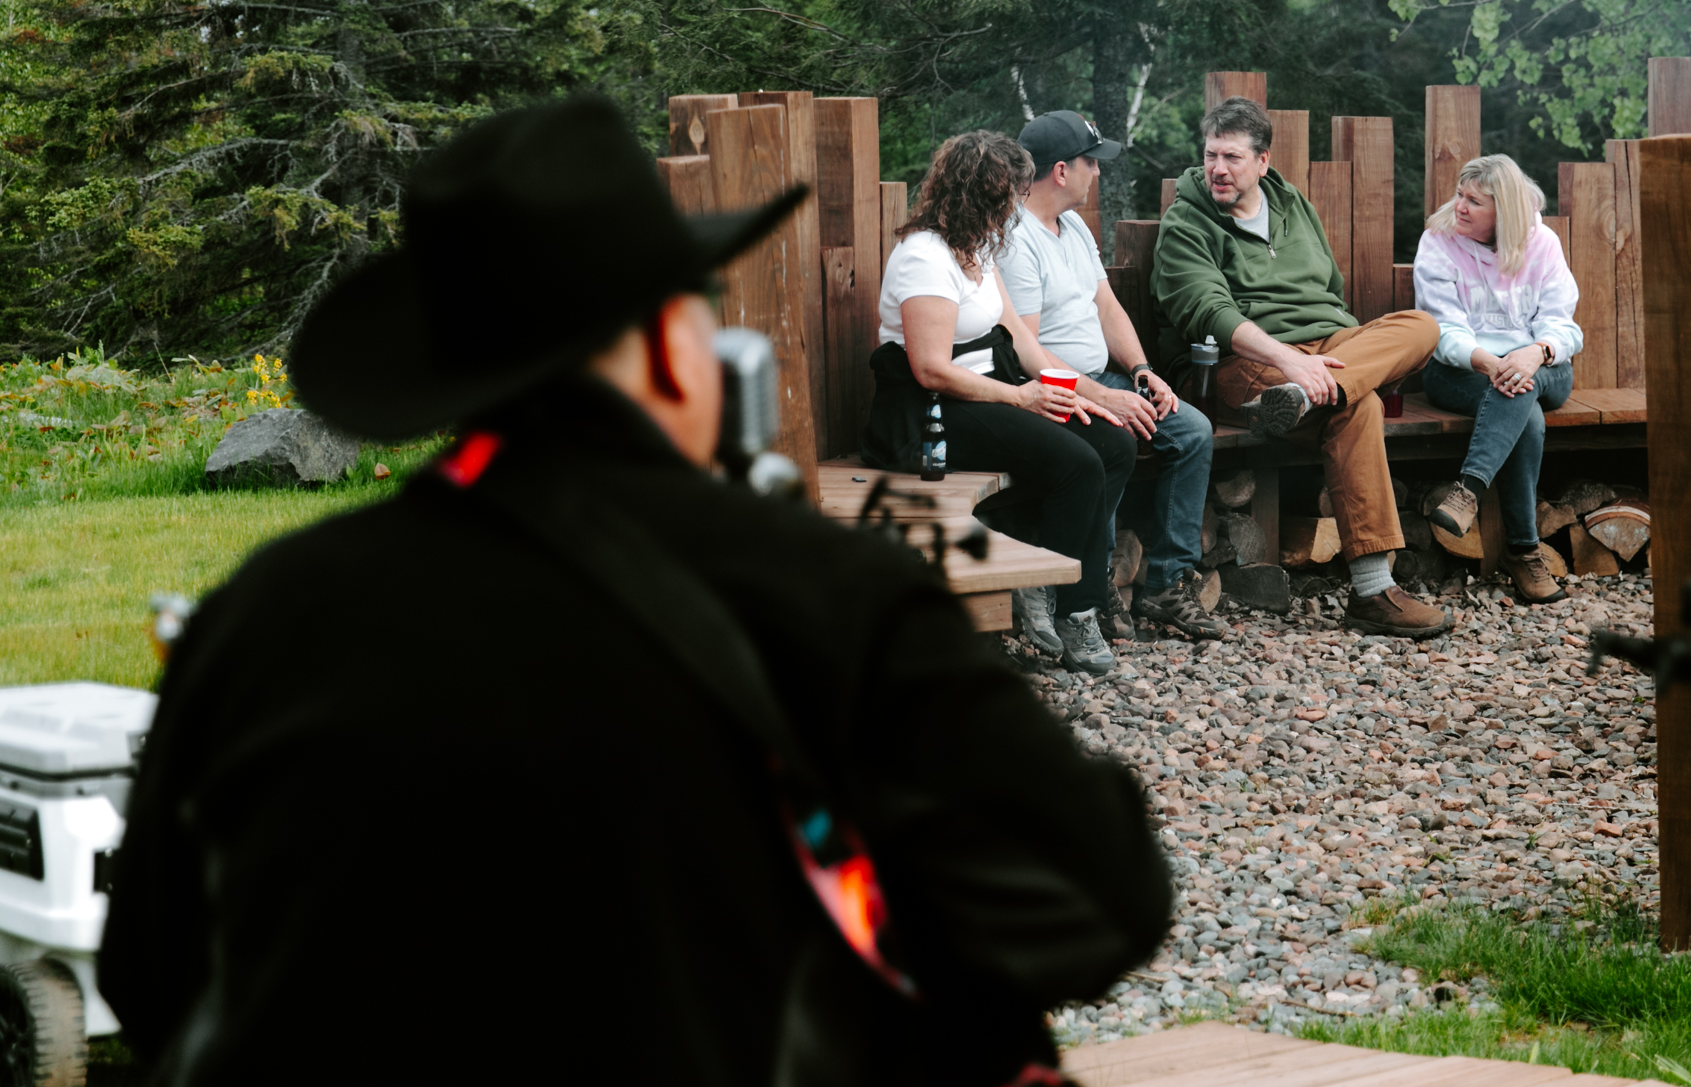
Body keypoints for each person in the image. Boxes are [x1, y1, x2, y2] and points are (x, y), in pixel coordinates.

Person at [99, 94, 1169, 1087]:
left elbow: (149, 972)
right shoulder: (828, 592)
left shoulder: (269, 611)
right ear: (669, 348)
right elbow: (1099, 898)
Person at [1151, 96, 1450, 640]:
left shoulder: (1291, 204)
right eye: (1211, 155)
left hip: (1326, 349)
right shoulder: (1187, 222)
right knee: (1358, 403)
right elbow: (1207, 312)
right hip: (1244, 362)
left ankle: (1315, 392)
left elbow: (1329, 291)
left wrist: (1331, 361)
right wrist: (1290, 358)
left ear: (1263, 161)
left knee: (1422, 326)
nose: (1218, 168)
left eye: (1233, 157)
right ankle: (1372, 592)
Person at [861, 129, 1136, 677]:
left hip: (999, 395)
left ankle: (1059, 586)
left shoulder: (980, 250)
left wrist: (1096, 392)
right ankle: (1063, 599)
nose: (1016, 205)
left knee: (1112, 442)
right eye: (1008, 194)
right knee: (1077, 464)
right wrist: (1022, 398)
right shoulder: (924, 257)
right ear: (979, 197)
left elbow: (1027, 346)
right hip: (934, 412)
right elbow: (931, 368)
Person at [999, 110, 1226, 645]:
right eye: (1090, 163)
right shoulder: (1016, 240)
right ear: (1060, 171)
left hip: (1106, 376)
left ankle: (1169, 585)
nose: (1096, 173)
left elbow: (1107, 307)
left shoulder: (1073, 225)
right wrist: (1100, 395)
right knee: (1112, 439)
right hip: (1054, 390)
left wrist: (1143, 371)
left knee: (1191, 431)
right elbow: (1025, 349)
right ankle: (1093, 583)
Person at [1411, 153, 1582, 604]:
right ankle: (1523, 552)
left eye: (1474, 201)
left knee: (1522, 392)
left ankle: (1467, 489)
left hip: (1542, 366)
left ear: (1503, 210)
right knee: (1526, 417)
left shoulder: (1541, 242)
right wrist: (1491, 363)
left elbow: (1563, 325)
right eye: (1460, 195)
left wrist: (1534, 353)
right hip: (1461, 369)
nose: (1460, 207)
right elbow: (1441, 328)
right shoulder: (1439, 241)